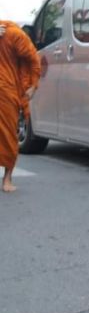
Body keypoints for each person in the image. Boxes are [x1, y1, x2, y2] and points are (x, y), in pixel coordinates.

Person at [0, 20, 41, 193]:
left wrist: (33, 85)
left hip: (7, 89)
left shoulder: (13, 35)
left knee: (9, 134)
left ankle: (7, 178)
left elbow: (33, 59)